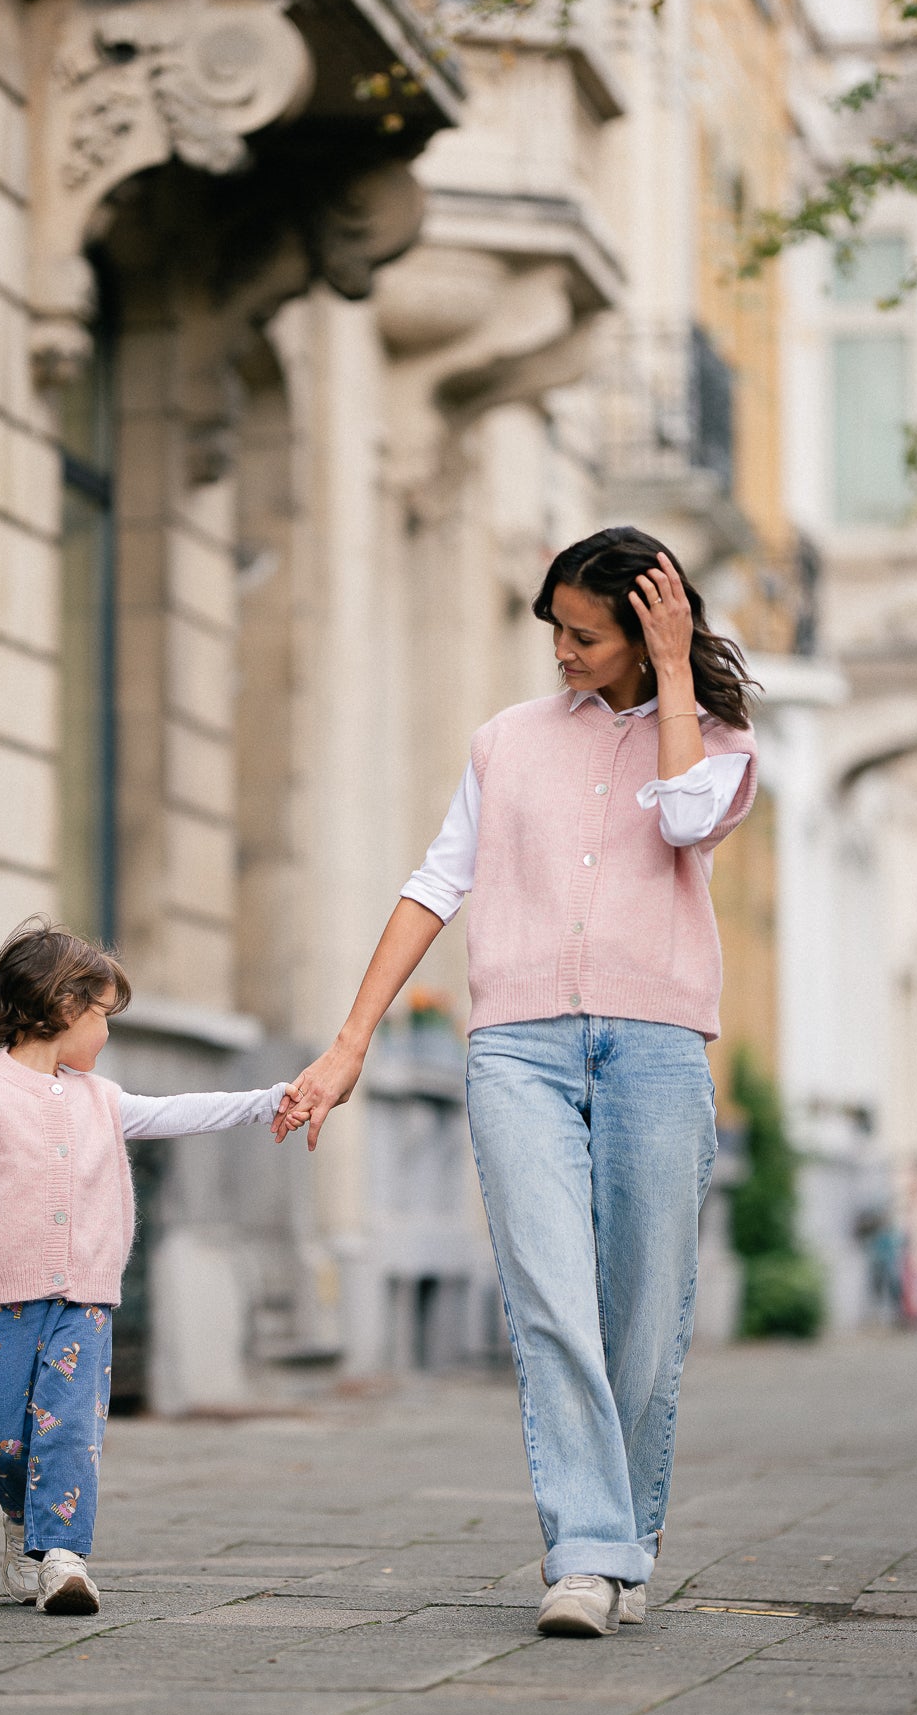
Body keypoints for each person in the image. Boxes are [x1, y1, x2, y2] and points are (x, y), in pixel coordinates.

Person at [276, 527, 758, 1637]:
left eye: (584, 634)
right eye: (553, 629)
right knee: (548, 1299)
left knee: (643, 1311)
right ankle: (586, 1552)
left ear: (646, 633)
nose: (561, 651)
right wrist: (351, 1040)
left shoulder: (717, 743)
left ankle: (623, 1537)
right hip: (518, 1048)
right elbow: (435, 883)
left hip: (655, 1045)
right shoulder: (506, 742)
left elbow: (685, 818)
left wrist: (679, 677)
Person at [0, 919, 305, 1616]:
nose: (107, 1033)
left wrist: (269, 1099)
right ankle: (23, 1524)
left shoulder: (101, 1100)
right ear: (63, 1009)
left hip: (82, 1298)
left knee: (67, 1427)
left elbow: (183, 1111)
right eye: (102, 1016)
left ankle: (63, 1558)